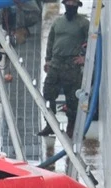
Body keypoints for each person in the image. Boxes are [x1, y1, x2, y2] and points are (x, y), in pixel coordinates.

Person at [38, 0, 89, 138]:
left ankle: (71, 126)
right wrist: (48, 60)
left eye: (73, 3)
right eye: (68, 2)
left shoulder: (84, 24)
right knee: (48, 94)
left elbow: (92, 41)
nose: (70, 5)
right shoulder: (57, 22)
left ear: (77, 6)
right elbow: (51, 41)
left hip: (72, 65)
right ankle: (50, 125)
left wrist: (84, 58)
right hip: (56, 63)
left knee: (72, 99)